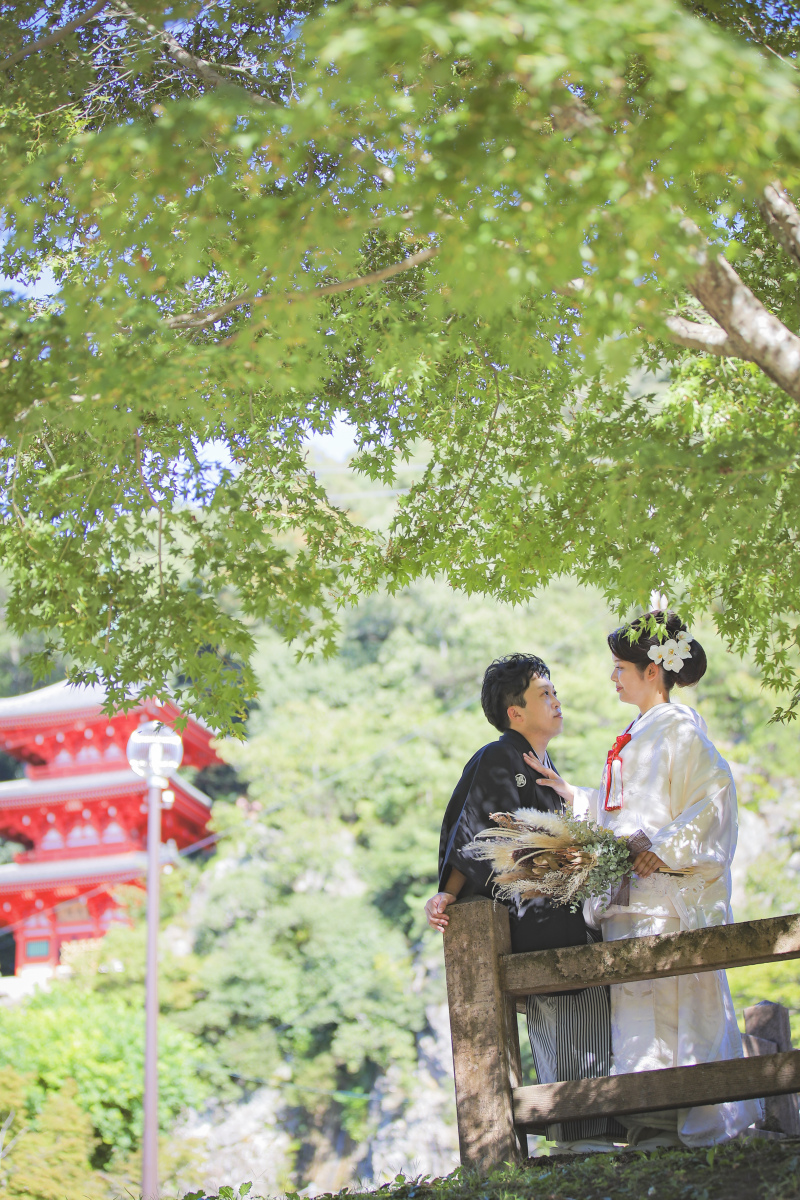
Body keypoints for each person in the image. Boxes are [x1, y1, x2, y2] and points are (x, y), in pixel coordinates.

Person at [527, 611, 762, 1148]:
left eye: (620, 668)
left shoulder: (678, 726)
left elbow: (715, 797)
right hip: (630, 895)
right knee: (637, 1008)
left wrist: (665, 848)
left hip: (661, 893)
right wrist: (575, 797)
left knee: (673, 1003)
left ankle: (686, 1122)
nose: (613, 677)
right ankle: (650, 1122)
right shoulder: (638, 732)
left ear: (653, 671)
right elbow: (625, 812)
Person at [425, 653, 624, 1151]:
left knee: (591, 1018)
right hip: (534, 920)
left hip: (569, 916)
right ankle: (577, 1138)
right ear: (515, 713)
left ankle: (593, 1132)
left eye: (554, 693)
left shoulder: (544, 766)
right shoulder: (498, 758)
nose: (557, 702)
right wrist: (446, 894)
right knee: (562, 1023)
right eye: (544, 695)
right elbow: (475, 831)